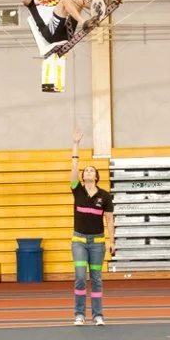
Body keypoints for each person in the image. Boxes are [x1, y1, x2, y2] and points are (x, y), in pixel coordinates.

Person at [69, 128, 115, 326]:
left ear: (96, 176)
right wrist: (76, 144)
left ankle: (98, 315)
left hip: (97, 242)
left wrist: (112, 241)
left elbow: (110, 220)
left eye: (91, 170)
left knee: (96, 278)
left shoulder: (104, 196)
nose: (87, 172)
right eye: (85, 170)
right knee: (80, 277)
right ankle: (79, 314)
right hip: (79, 241)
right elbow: (73, 166)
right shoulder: (77, 190)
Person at [22, 0, 91, 46]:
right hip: (51, 34)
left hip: (66, 32)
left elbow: (76, 4)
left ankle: (98, 10)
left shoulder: (57, 0)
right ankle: (83, 22)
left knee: (79, 0)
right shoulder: (34, 1)